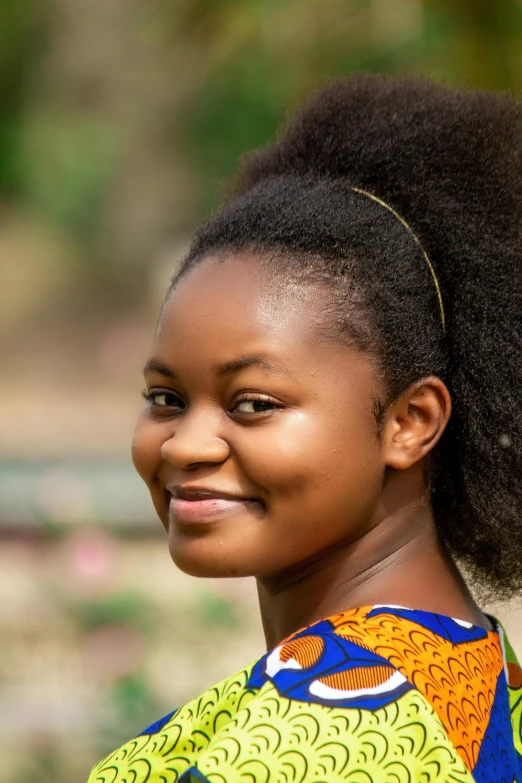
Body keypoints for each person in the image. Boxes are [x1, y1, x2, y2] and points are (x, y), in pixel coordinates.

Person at [87, 74, 522, 783]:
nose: (184, 444)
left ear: (410, 421)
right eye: (165, 396)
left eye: (253, 402)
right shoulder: (478, 677)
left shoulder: (316, 743)